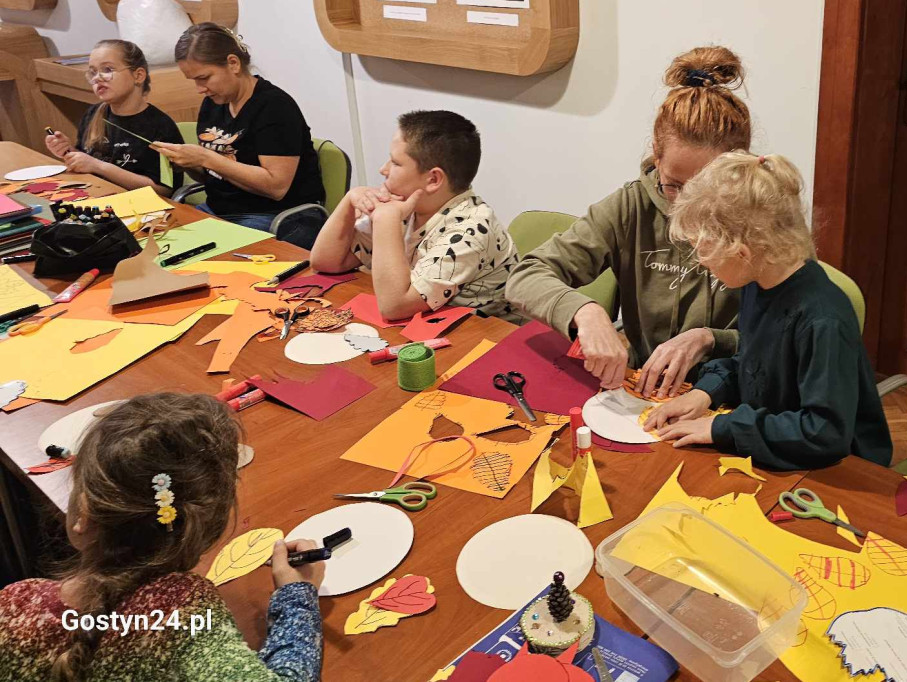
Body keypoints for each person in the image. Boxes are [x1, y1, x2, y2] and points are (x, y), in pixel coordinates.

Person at [0, 393, 324, 681]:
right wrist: (298, 596)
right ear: (208, 529)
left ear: (82, 514)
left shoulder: (13, 608)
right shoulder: (179, 614)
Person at [507, 46, 750, 397]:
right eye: (674, 186)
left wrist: (712, 339)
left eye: (704, 188)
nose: (686, 207)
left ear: (737, 166)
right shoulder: (631, 205)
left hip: (732, 399)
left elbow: (794, 338)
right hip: (645, 391)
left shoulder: (763, 217)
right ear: (656, 153)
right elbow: (526, 276)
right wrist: (585, 311)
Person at [643, 152, 893, 470]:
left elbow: (824, 433)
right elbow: (756, 367)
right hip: (779, 446)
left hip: (842, 470)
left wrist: (723, 427)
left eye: (703, 250)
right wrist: (705, 394)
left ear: (742, 252)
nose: (701, 261)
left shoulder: (822, 320)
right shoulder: (758, 282)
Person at [310, 110, 520, 322]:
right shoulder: (406, 205)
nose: (383, 169)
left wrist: (385, 221)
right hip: (425, 325)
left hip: (482, 337)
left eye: (396, 163)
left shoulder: (470, 231)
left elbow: (394, 306)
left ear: (433, 179)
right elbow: (325, 262)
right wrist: (349, 201)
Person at [153, 24, 324, 245]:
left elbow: (276, 187)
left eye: (204, 78)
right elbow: (214, 174)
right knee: (157, 244)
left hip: (276, 216)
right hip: (221, 211)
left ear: (233, 63)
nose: (199, 88)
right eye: (193, 80)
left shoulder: (274, 106)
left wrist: (206, 158)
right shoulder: (213, 104)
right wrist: (186, 163)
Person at [44, 40, 184, 195]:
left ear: (138, 75)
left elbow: (165, 190)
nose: (97, 78)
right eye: (93, 72)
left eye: (108, 69)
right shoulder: (93, 114)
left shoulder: (160, 126)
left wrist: (99, 166)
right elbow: (88, 161)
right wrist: (68, 151)